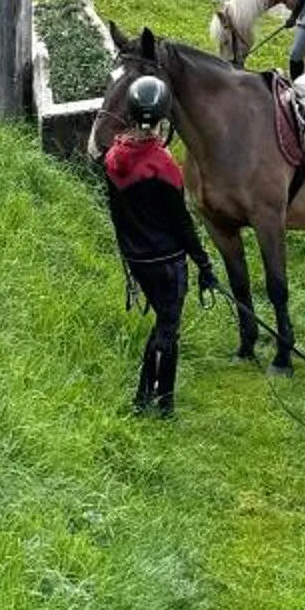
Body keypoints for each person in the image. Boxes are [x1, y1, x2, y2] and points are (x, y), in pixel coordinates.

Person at [102, 75, 219, 417]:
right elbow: (181, 222)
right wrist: (205, 265)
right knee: (169, 330)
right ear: (164, 116)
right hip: (167, 261)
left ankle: (144, 396)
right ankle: (161, 404)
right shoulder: (163, 165)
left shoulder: (112, 158)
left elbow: (116, 213)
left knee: (162, 324)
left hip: (136, 259)